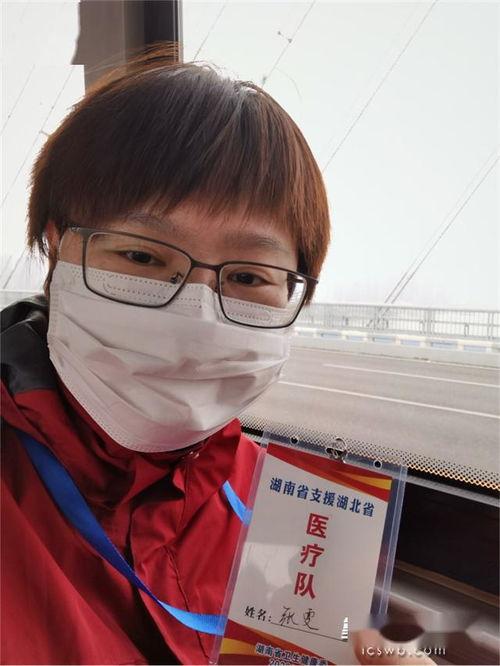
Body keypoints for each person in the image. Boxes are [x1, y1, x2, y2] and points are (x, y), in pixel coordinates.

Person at [1, 51, 435, 666]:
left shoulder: (294, 507)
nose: (197, 317)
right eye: (142, 257)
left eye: (249, 276)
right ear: (55, 244)